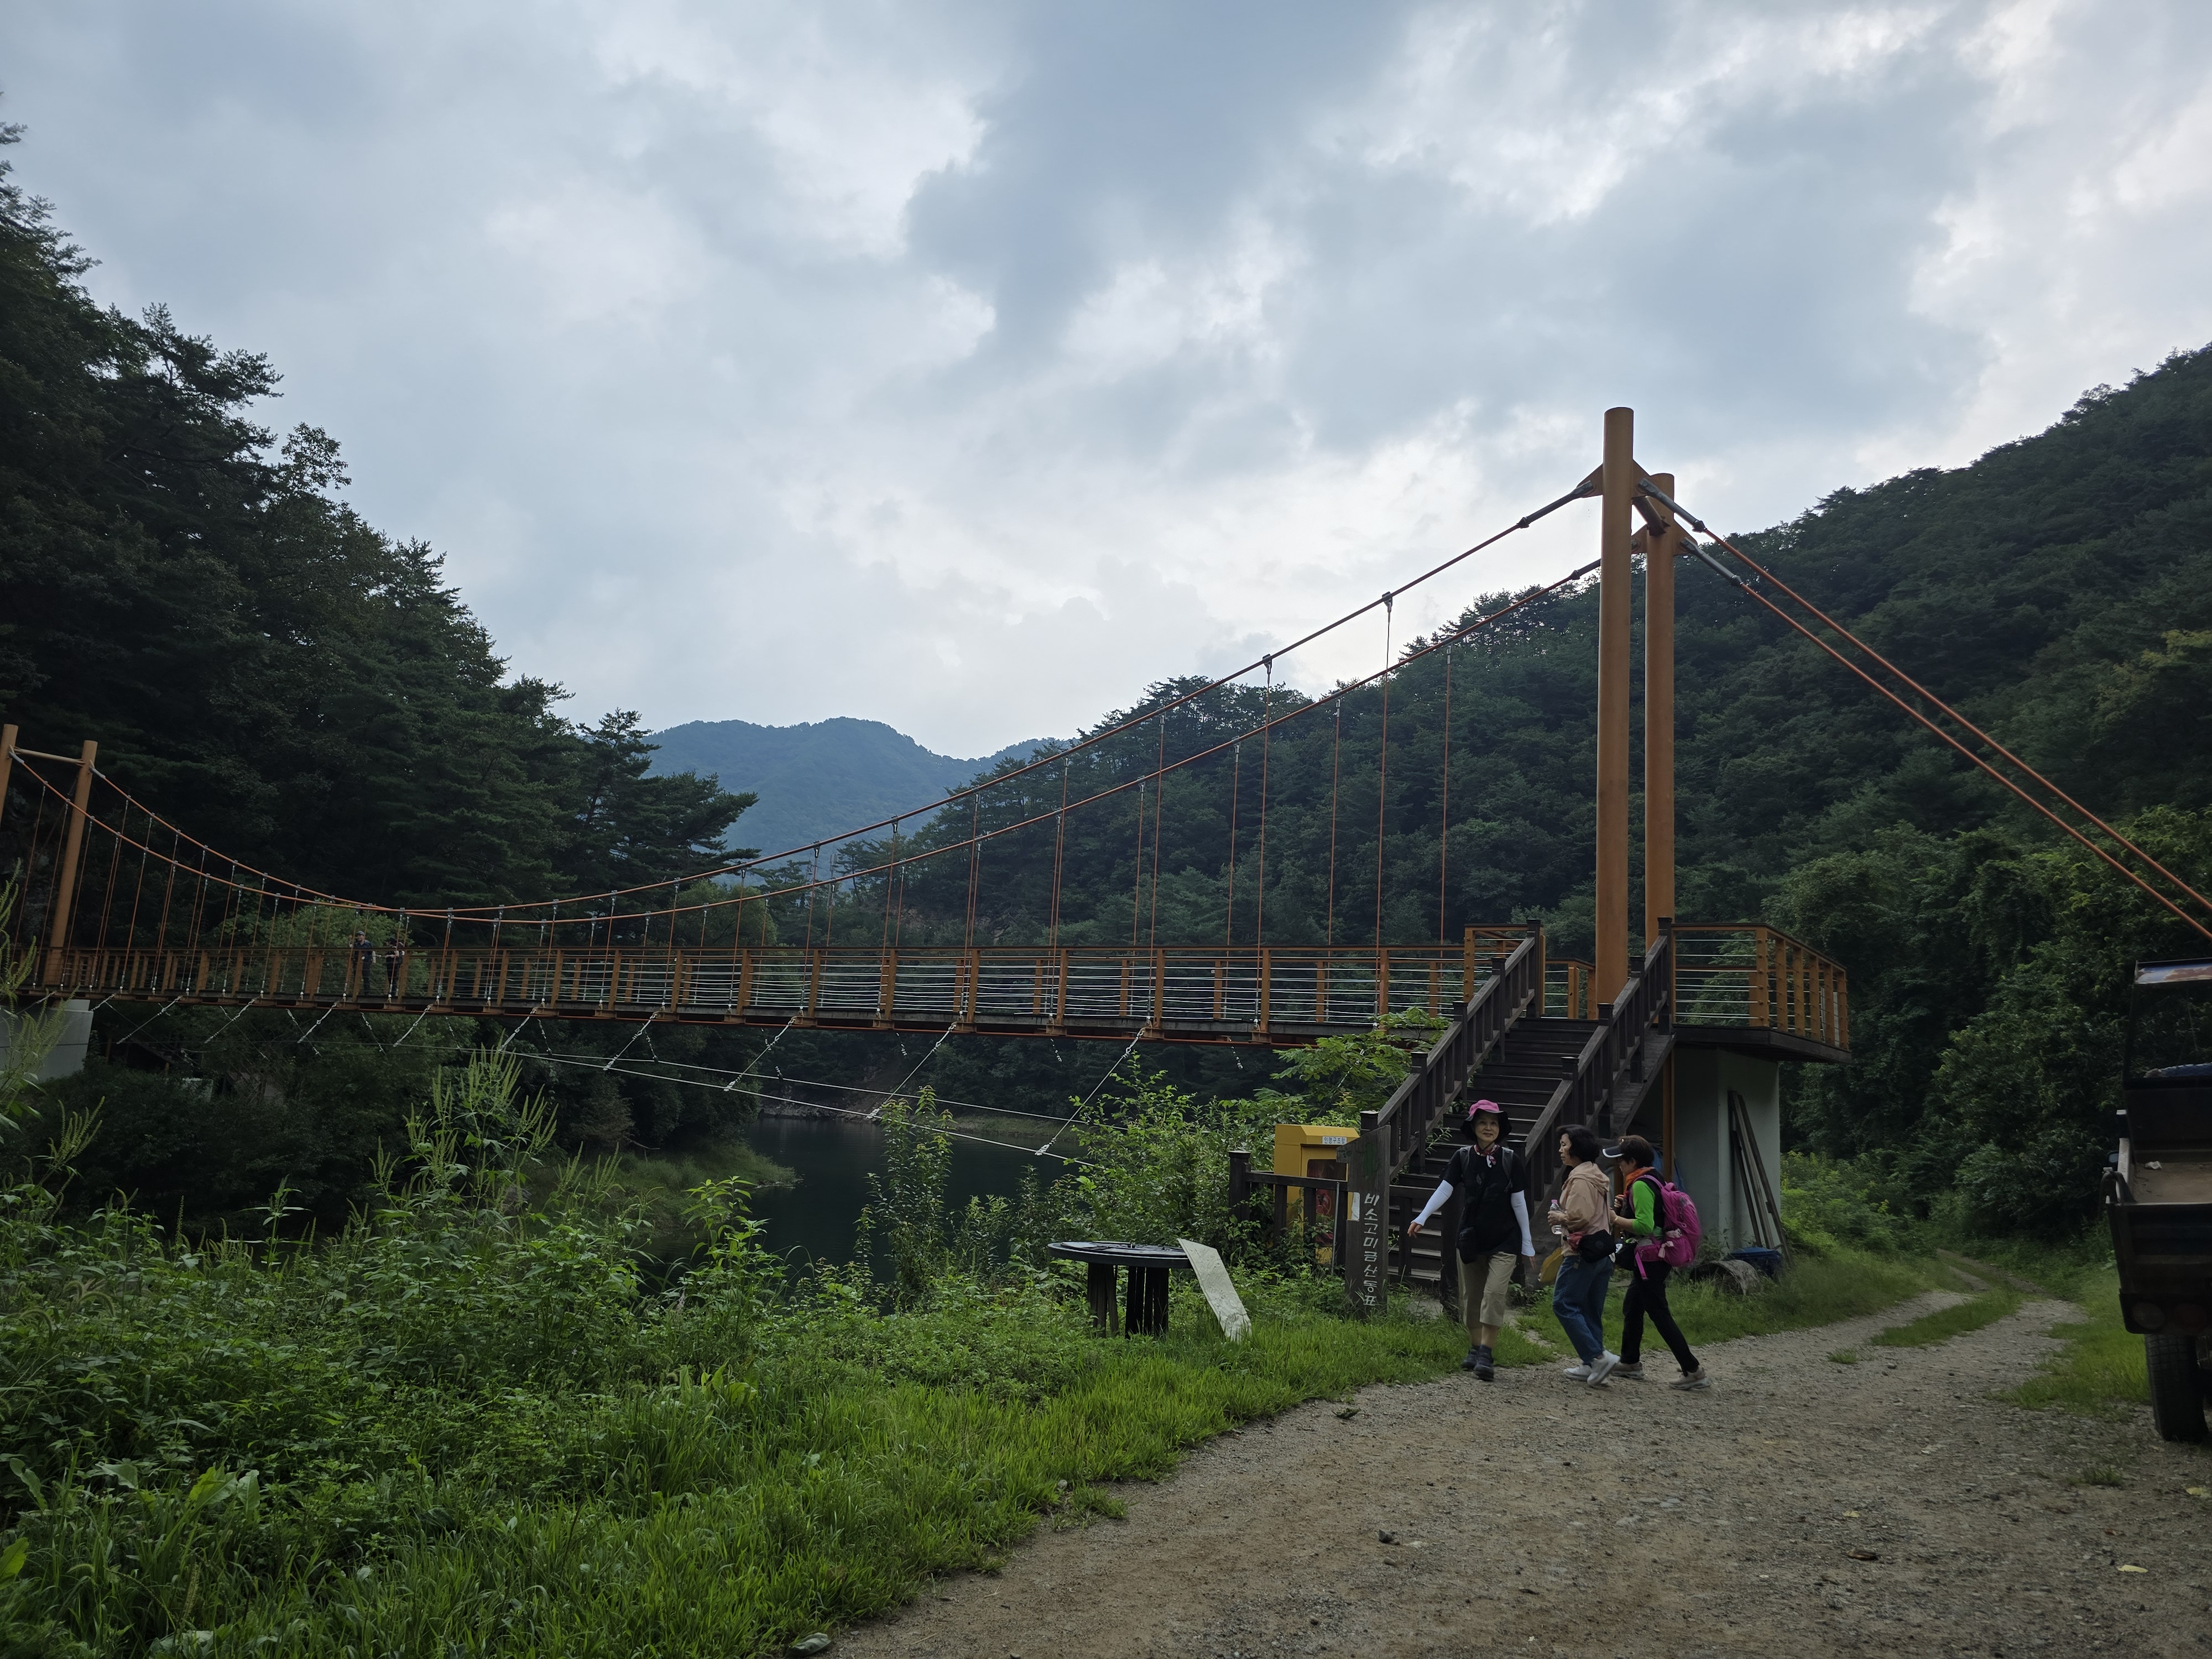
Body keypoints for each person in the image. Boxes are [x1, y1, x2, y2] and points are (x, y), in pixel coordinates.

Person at [1407, 1100, 1537, 1379]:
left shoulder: (1510, 1160)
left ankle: (1486, 1354)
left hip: (1505, 1239)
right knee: (1472, 1297)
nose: (1489, 1128)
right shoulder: (1463, 1157)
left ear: (1500, 1128)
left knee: (1494, 1294)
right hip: (1471, 1238)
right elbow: (1445, 1189)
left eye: (1494, 1123)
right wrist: (1423, 1217)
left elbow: (1519, 1203)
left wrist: (1527, 1243)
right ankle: (1476, 1348)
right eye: (1483, 1123)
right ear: (1474, 1128)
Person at [1608, 1135, 1708, 1390]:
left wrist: (1615, 1218)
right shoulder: (1653, 1177)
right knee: (1633, 1307)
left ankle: (1693, 1370)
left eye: (1621, 1159)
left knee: (1659, 1314)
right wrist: (1626, 1207)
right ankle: (1630, 1362)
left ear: (1632, 1161)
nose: (1619, 1164)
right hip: (1656, 1256)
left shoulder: (1641, 1185)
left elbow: (1645, 1225)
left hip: (1650, 1259)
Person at [1547, 1123, 1620, 1385]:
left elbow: (1580, 1217)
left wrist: (1560, 1217)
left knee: (1563, 1304)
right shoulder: (1596, 1174)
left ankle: (1598, 1357)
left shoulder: (1579, 1179)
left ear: (1576, 1149)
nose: (1561, 1150)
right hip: (1602, 1253)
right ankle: (1592, 1365)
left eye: (1564, 1145)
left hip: (1581, 1253)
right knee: (1590, 1310)